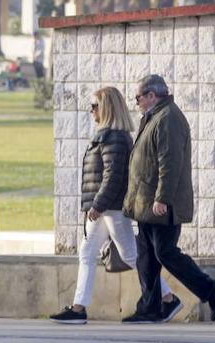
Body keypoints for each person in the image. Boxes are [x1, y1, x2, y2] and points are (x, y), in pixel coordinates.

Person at [50, 87, 177, 324]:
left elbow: (113, 175)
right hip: (104, 208)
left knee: (130, 255)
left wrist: (97, 204)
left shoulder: (115, 138)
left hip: (110, 207)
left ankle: (168, 298)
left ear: (107, 108)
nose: (91, 110)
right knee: (88, 252)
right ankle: (78, 308)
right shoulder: (106, 135)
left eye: (94, 106)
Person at [122, 74, 215, 324]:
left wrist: (163, 198)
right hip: (146, 202)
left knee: (165, 252)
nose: (137, 102)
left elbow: (169, 163)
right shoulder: (154, 117)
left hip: (160, 204)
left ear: (151, 95)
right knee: (147, 256)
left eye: (139, 97)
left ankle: (212, 290)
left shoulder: (168, 118)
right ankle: (150, 307)